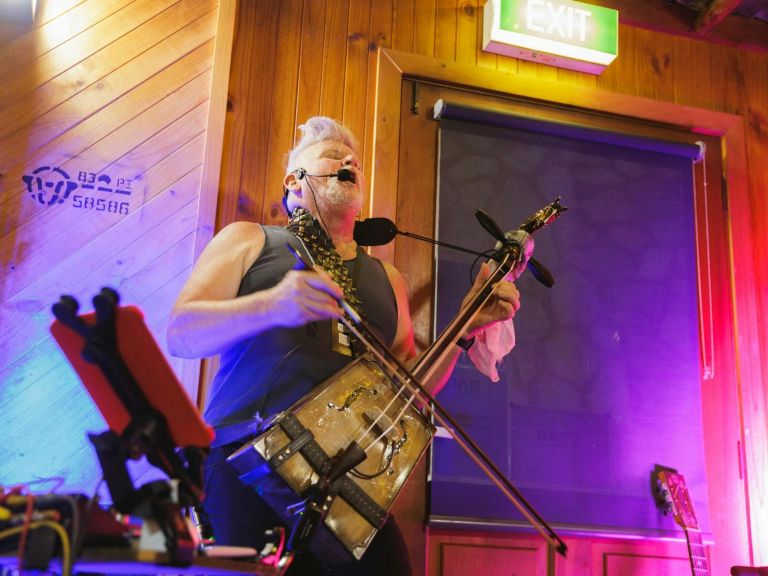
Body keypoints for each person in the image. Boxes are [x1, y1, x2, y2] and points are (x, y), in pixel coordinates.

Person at [167, 116, 521, 575]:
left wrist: (466, 327)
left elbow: (409, 390)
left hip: (345, 481)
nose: (349, 160)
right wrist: (271, 305)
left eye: (353, 159)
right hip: (245, 462)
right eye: (333, 155)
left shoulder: (388, 279)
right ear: (294, 181)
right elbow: (182, 331)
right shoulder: (250, 239)